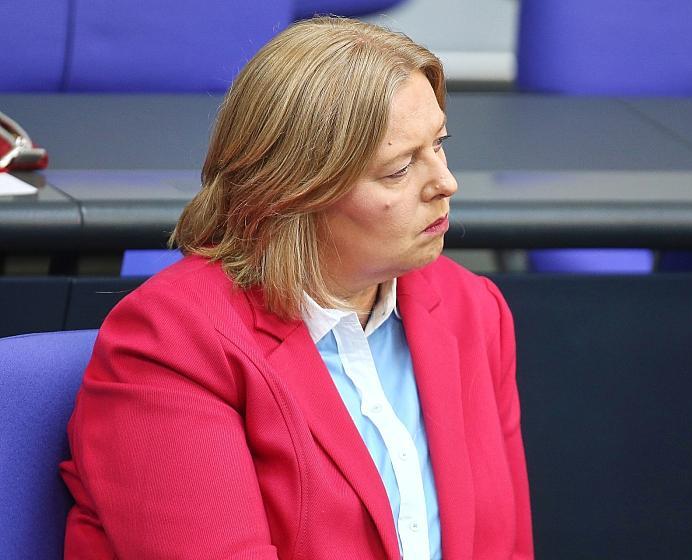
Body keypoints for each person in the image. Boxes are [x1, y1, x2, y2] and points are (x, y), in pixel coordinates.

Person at [60, 16, 533, 560]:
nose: (446, 182)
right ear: (296, 192)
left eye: (439, 145)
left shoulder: (472, 310)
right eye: (400, 168)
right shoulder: (172, 342)